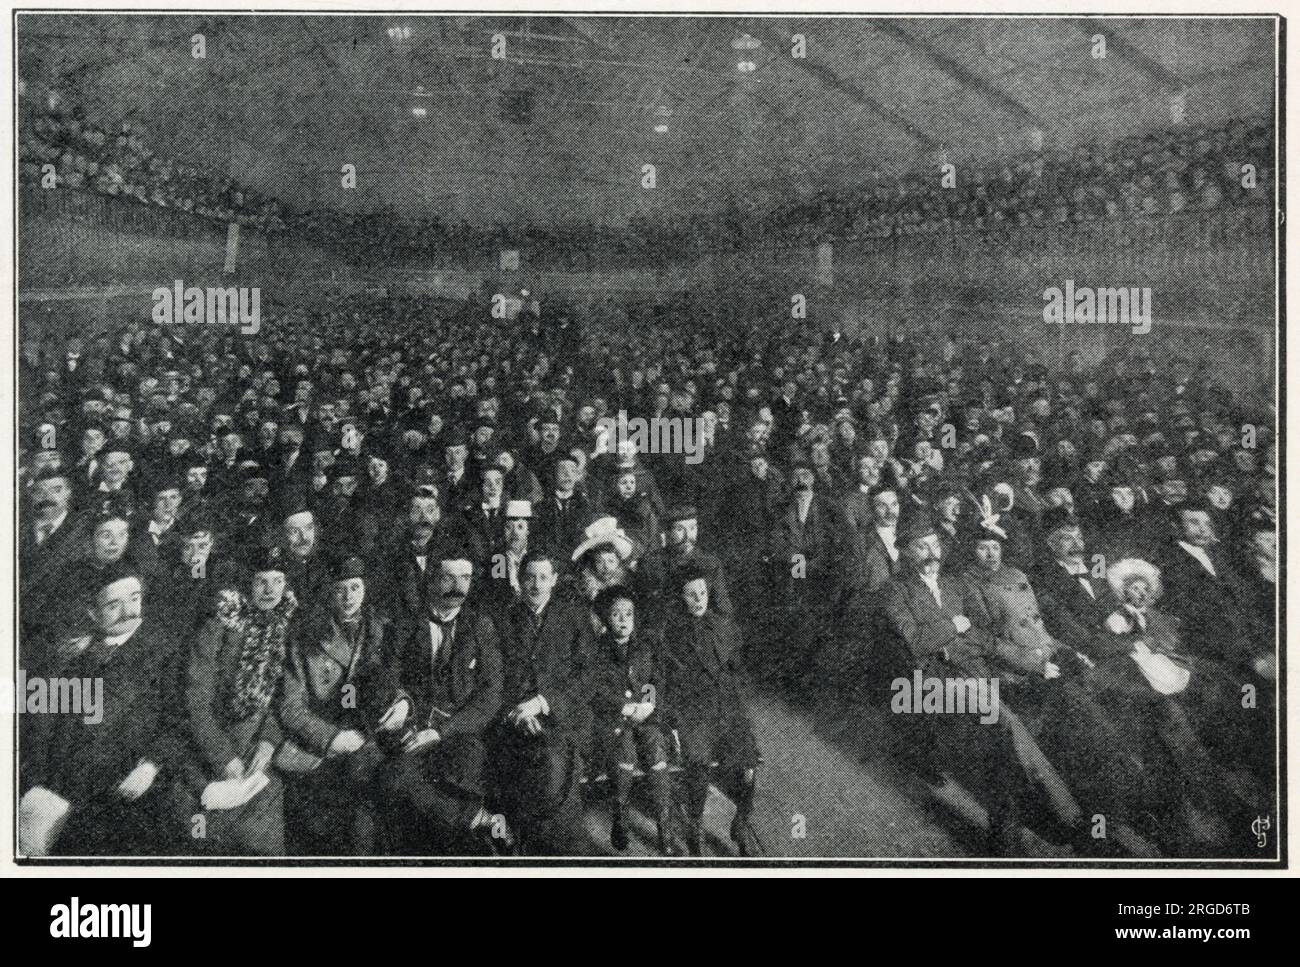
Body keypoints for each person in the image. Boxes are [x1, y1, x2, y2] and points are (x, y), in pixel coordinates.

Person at [21, 565, 186, 856]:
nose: (129, 611)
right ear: (93, 614)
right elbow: (42, 725)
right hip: (56, 787)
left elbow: (179, 722)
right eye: (113, 604)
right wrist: (34, 784)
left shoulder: (166, 652)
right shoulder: (73, 654)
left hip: (124, 787)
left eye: (134, 598)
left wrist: (151, 765)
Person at [278, 554, 407, 855]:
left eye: (356, 587)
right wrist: (332, 738)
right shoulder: (306, 636)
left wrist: (402, 704)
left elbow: (401, 681)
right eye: (341, 589)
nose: (349, 597)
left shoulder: (383, 629)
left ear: (365, 590)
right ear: (329, 593)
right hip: (326, 745)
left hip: (376, 736)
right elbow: (291, 708)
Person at [385, 549, 508, 854]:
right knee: (395, 777)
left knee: (464, 770)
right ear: (432, 580)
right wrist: (400, 702)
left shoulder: (481, 626)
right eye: (449, 577)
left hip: (460, 732)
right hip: (411, 728)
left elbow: (491, 694)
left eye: (465, 577)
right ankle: (476, 819)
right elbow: (387, 675)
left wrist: (443, 731)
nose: (458, 586)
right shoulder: (406, 624)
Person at [181, 544, 295, 855]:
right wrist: (224, 758)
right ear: (247, 584)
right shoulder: (219, 625)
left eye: (278, 581)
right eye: (262, 581)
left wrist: (269, 741)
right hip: (208, 749)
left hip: (255, 749)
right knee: (204, 838)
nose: (270, 590)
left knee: (265, 841)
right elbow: (195, 703)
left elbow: (282, 699)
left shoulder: (284, 626)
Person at [491, 550, 594, 855]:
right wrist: (515, 711)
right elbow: (494, 676)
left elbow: (588, 675)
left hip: (564, 715)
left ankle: (556, 847)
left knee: (555, 762)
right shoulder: (502, 619)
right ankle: (524, 842)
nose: (535, 585)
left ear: (554, 580)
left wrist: (544, 702)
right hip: (513, 716)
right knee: (519, 762)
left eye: (543, 577)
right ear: (519, 580)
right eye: (529, 577)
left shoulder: (573, 617)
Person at [660, 566, 759, 856]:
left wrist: (739, 706)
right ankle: (694, 826)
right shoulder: (673, 633)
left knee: (749, 764)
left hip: (727, 706)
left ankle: (741, 821)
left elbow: (737, 670)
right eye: (691, 595)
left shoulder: (723, 625)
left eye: (702, 593)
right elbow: (665, 681)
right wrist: (672, 722)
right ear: (682, 598)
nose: (699, 599)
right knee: (698, 765)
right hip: (693, 710)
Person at [588, 586, 676, 855]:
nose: (624, 620)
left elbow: (656, 679)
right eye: (616, 615)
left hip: (647, 715)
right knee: (624, 751)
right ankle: (621, 815)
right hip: (615, 718)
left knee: (655, 750)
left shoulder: (646, 645)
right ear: (606, 619)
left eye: (629, 614)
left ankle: (664, 824)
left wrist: (648, 703)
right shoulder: (597, 650)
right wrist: (625, 707)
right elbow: (594, 689)